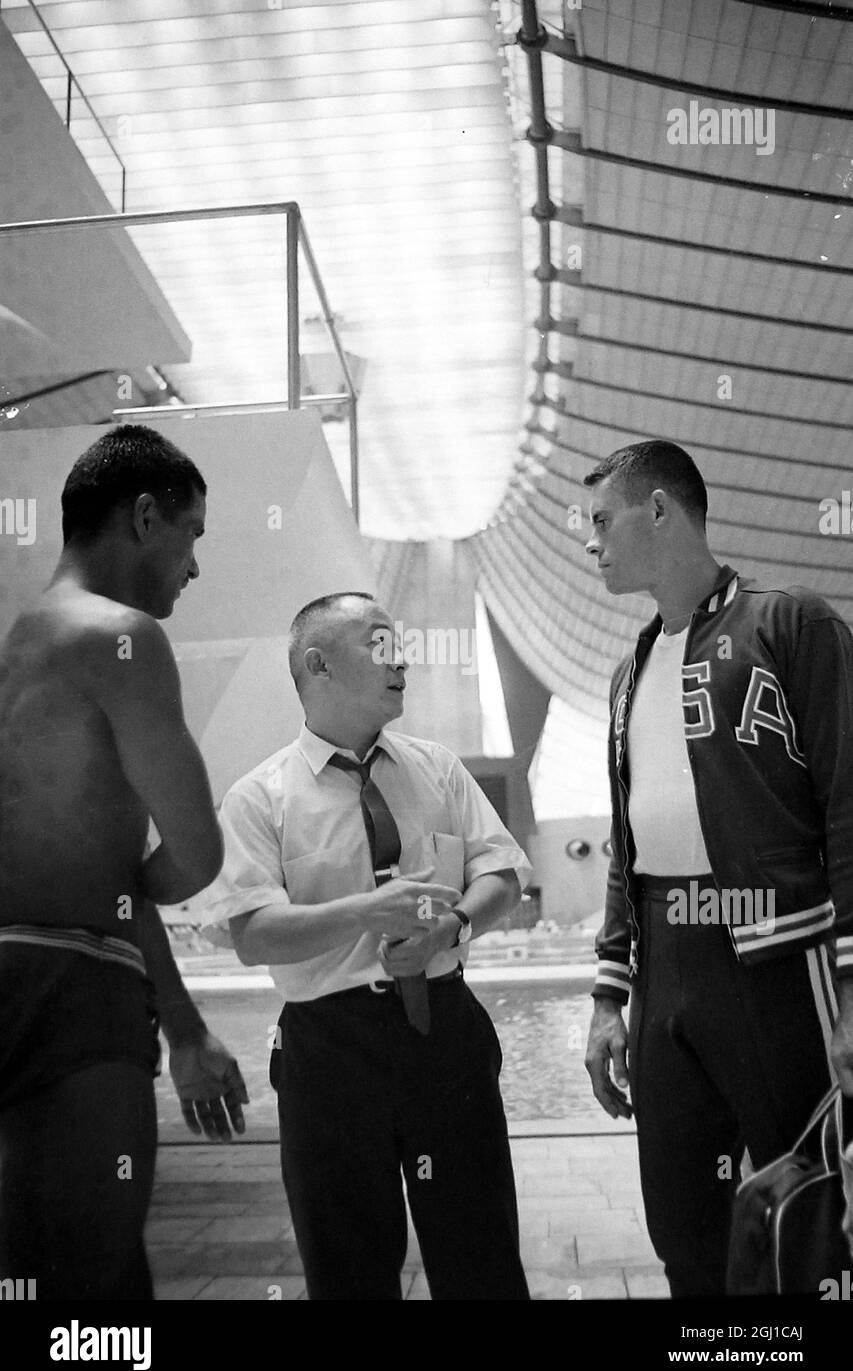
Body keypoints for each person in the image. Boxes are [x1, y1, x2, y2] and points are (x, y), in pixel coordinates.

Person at [582, 439, 853, 1298]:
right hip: (668, 968)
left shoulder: (792, 624)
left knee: (803, 1201)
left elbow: (849, 806)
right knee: (682, 1222)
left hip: (776, 956)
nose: (589, 542)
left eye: (600, 521)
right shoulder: (628, 675)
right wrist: (605, 996)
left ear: (658, 510)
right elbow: (628, 849)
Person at [204, 591, 531, 1300]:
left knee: (481, 1256)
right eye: (378, 644)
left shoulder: (436, 768)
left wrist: (454, 926)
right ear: (317, 665)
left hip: (442, 1030)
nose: (402, 660)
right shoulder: (259, 798)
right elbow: (252, 934)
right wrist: (368, 911)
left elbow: (501, 873)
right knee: (346, 1266)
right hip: (328, 1050)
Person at [0, 424, 248, 1301]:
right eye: (193, 536)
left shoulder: (13, 648)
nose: (191, 565)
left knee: (23, 1277)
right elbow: (194, 851)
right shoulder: (122, 638)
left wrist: (182, 1026)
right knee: (97, 1295)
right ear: (146, 516)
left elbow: (91, 865)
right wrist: (147, 877)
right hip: (75, 996)